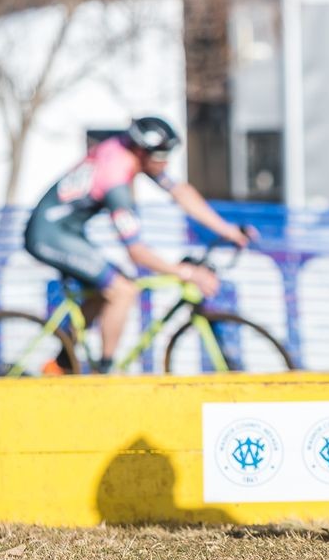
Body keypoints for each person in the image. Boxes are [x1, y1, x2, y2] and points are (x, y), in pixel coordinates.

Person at [24, 116, 252, 372]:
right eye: (161, 156)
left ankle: (60, 366)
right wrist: (188, 273)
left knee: (105, 290)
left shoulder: (134, 153)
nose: (166, 162)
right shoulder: (117, 177)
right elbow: (136, 251)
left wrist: (228, 230)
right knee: (122, 289)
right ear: (141, 151)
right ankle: (106, 374)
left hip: (67, 230)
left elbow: (181, 193)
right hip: (49, 235)